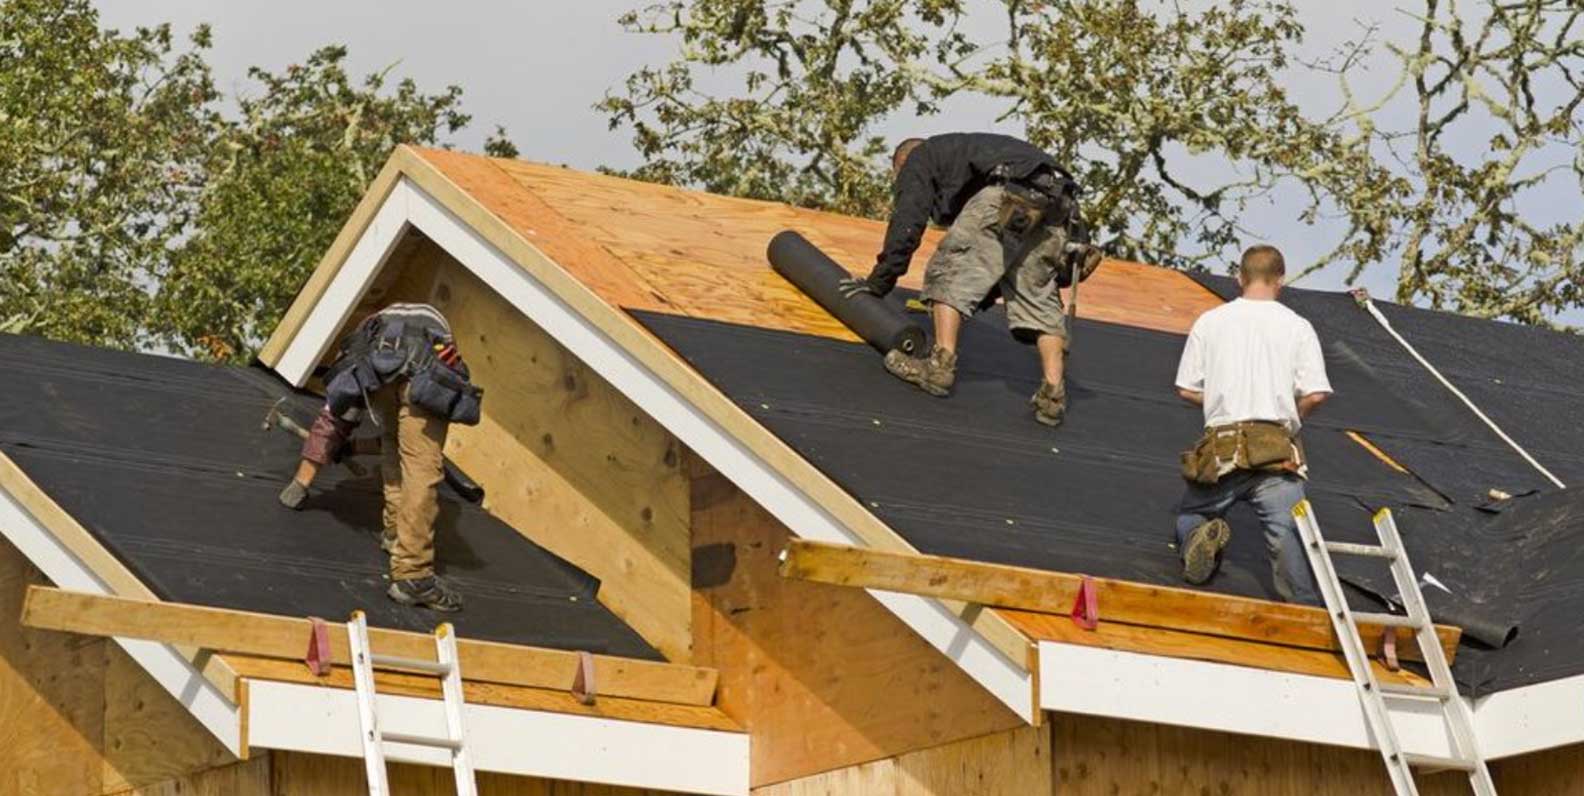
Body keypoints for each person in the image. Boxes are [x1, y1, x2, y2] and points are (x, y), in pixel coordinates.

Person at [839, 133, 1102, 427]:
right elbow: (993, 264)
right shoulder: (974, 154)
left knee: (949, 270)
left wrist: (879, 282)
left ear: (900, 164)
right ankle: (1053, 396)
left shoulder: (920, 157)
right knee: (1038, 298)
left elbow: (908, 222)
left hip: (1011, 193)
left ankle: (939, 367)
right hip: (1060, 207)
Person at [278, 303, 482, 612]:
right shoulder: (430, 335)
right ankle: (413, 574)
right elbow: (411, 446)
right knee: (420, 467)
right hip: (426, 371)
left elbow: (332, 421)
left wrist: (300, 485)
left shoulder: (365, 350)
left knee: (392, 443)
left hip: (389, 369)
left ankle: (394, 534)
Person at [1172, 245, 1331, 603]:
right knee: (1287, 531)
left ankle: (1199, 534)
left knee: (1192, 513)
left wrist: (1216, 399)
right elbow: (1317, 393)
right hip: (1274, 446)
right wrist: (1292, 419)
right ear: (1281, 280)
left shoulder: (1211, 321)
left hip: (1222, 444)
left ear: (1239, 278)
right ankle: (1301, 608)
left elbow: (1185, 388)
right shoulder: (1297, 326)